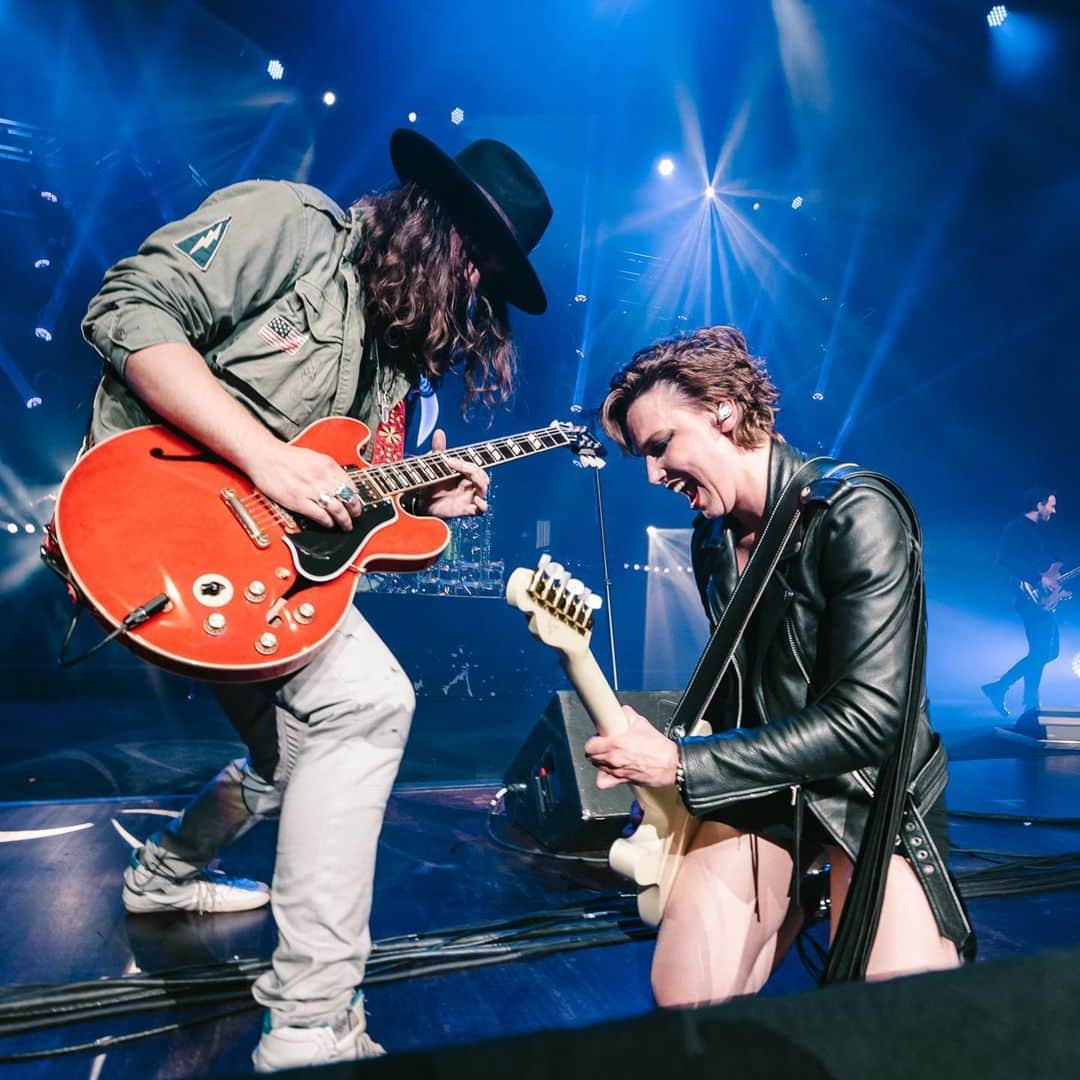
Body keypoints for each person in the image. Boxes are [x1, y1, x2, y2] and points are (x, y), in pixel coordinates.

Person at [77, 129, 552, 1070]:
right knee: (367, 701)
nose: (471, 293)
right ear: (429, 221)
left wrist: (416, 500)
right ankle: (312, 1025)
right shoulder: (293, 226)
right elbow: (127, 309)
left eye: (488, 282)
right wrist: (264, 456)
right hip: (146, 520)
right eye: (472, 262)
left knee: (293, 755)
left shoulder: (393, 373)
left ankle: (164, 874)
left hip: (252, 578)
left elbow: (332, 531)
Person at [585, 326, 972, 1007]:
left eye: (660, 446)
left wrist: (680, 766)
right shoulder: (712, 539)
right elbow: (741, 698)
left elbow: (870, 723)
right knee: (687, 1002)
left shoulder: (858, 512)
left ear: (724, 412)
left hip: (864, 799)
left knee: (906, 1024)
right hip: (766, 794)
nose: (652, 474)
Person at [981, 489, 1061, 720]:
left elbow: (1045, 566)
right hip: (1028, 598)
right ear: (1039, 504)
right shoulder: (1016, 527)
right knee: (1041, 651)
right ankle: (1029, 704)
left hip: (1042, 599)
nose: (1054, 511)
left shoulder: (1036, 532)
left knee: (1049, 652)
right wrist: (1038, 579)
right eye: (1051, 506)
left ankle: (1002, 689)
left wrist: (1055, 584)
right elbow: (1005, 559)